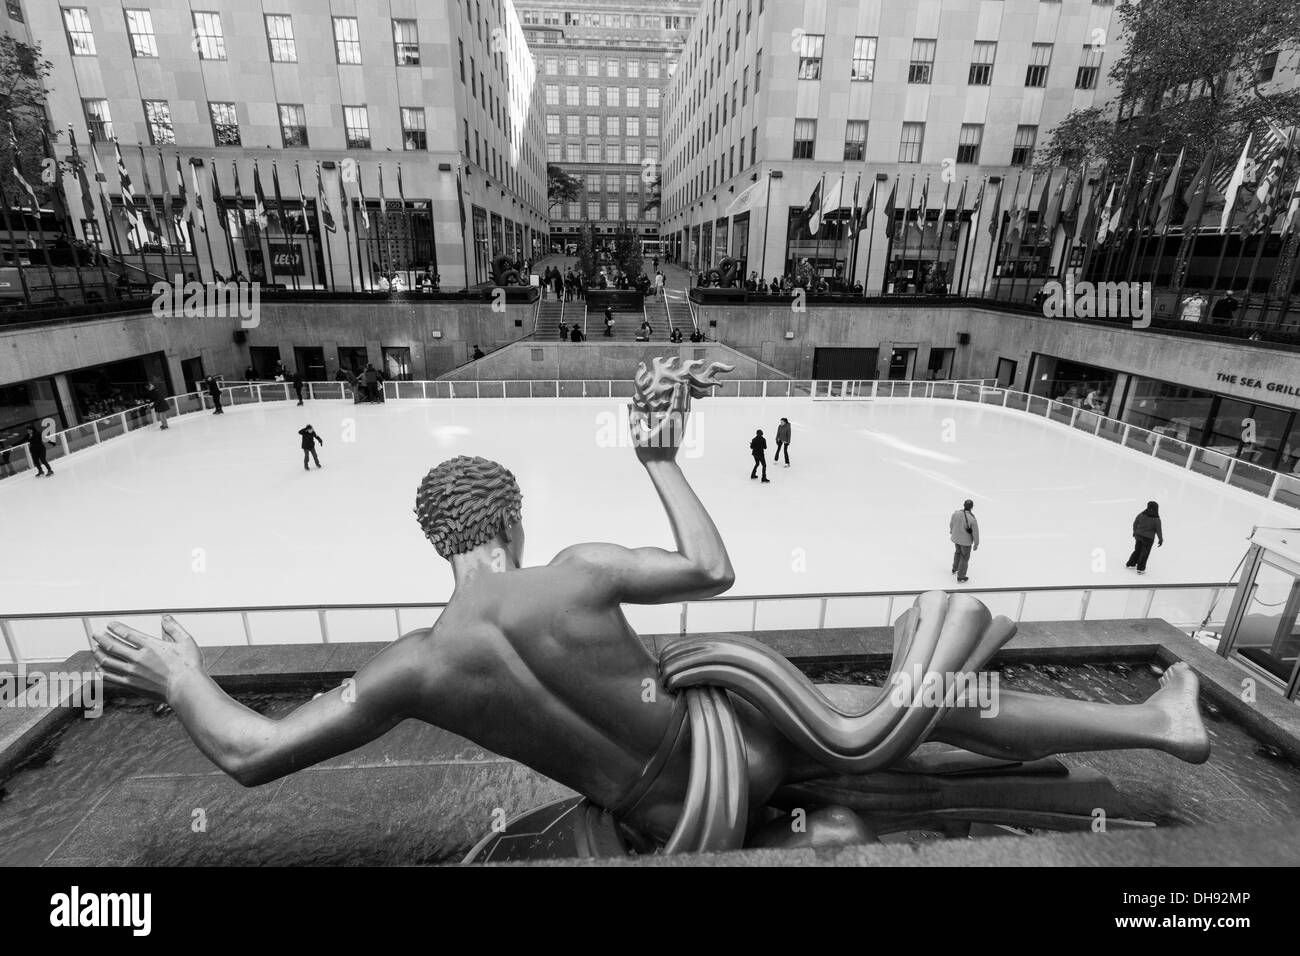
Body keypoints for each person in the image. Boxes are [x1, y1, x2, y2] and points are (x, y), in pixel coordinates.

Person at [92, 382, 1213, 857]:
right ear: (513, 519)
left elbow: (249, 752)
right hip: (745, 745)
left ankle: (1154, 726)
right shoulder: (574, 570)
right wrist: (661, 457)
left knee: (906, 712)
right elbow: (713, 568)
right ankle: (1160, 723)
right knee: (925, 701)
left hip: (662, 807)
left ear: (438, 542)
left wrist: (179, 671)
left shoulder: (415, 666)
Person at [1126, 501, 1164, 575]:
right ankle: (1140, 569)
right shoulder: (1156, 519)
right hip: (1148, 539)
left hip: (1139, 535)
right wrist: (1160, 539)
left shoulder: (1142, 514)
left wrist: (1134, 531)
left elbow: (1135, 523)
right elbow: (1158, 530)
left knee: (1137, 550)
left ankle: (1131, 563)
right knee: (1145, 553)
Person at [949, 499, 980, 583]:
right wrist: (976, 543)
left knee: (957, 552)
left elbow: (951, 524)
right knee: (964, 557)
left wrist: (952, 531)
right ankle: (961, 576)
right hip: (965, 542)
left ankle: (955, 568)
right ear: (972, 507)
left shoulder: (955, 513)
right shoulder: (972, 518)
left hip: (956, 538)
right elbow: (975, 532)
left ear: (964, 505)